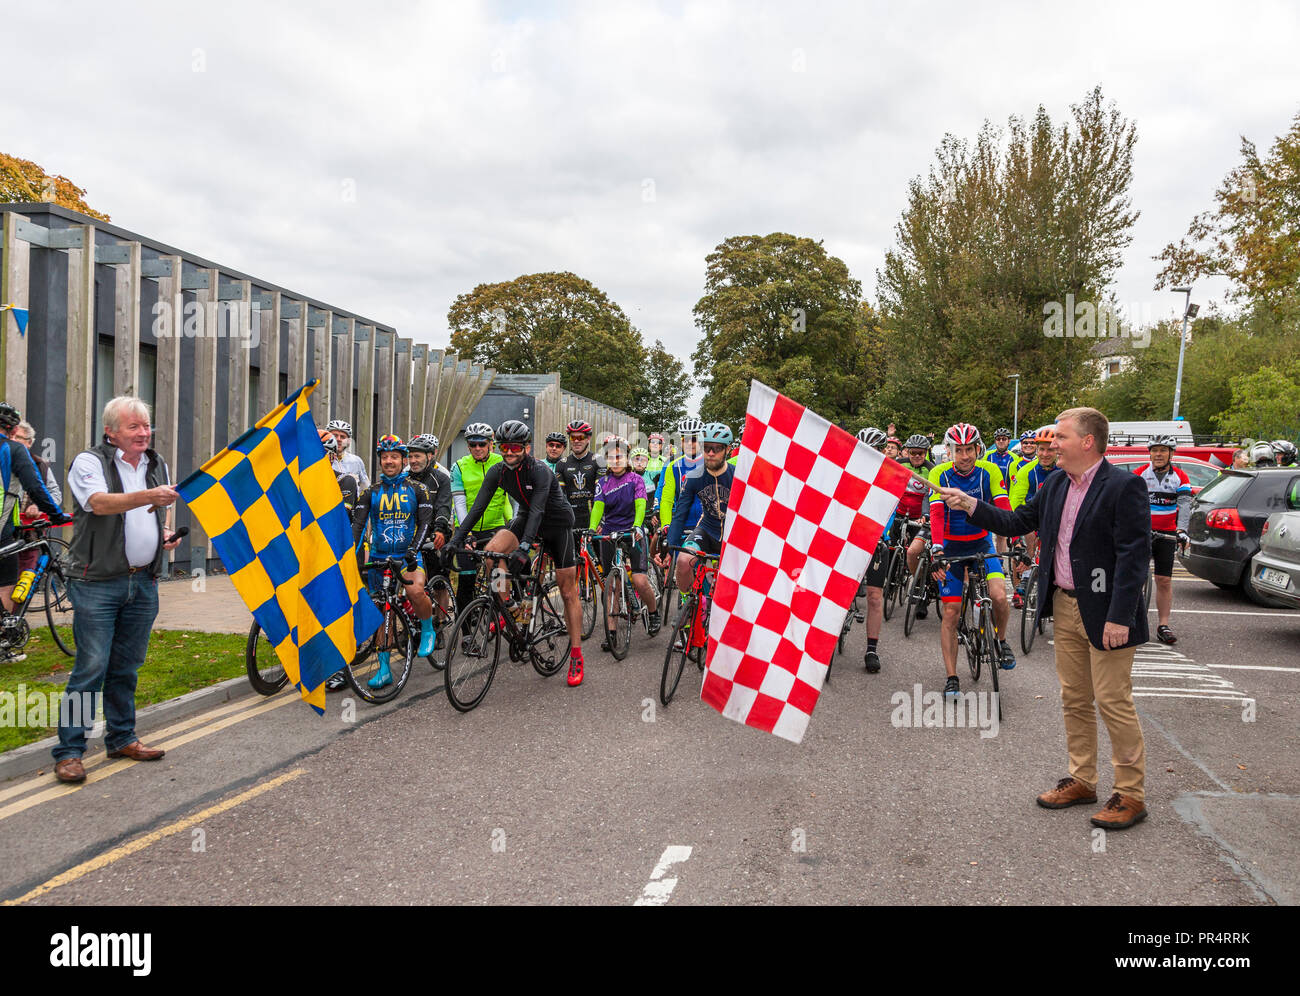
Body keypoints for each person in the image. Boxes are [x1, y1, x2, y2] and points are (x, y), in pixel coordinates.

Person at [940, 407, 1151, 830]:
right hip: (1066, 607)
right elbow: (1017, 521)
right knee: (1074, 698)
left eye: (1061, 437)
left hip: (1108, 613)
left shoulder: (1123, 486)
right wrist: (970, 504)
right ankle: (1083, 780)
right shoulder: (1055, 483)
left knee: (1112, 701)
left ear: (1087, 441)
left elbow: (1134, 557)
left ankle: (1130, 794)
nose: (1051, 444)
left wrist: (1120, 616)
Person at [52, 397, 179, 784]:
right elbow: (98, 504)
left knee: (127, 667)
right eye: (134, 427)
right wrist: (150, 498)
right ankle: (70, 751)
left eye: (146, 426)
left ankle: (122, 737)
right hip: (97, 583)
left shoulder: (157, 463)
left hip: (143, 581)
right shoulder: (89, 462)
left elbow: (162, 510)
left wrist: (164, 533)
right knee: (90, 668)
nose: (143, 433)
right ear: (111, 431)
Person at [447, 420, 585, 685]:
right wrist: (457, 539)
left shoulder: (540, 470)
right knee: (491, 553)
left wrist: (524, 547)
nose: (509, 452)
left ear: (526, 448)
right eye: (504, 447)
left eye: (515, 447)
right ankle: (510, 606)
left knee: (568, 592)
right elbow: (477, 508)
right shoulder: (498, 470)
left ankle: (576, 653)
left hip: (556, 525)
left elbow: (538, 510)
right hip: (525, 519)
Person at [928, 422, 1016, 699]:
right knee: (951, 613)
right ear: (950, 451)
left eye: (969, 449)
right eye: (959, 450)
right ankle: (952, 676)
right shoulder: (939, 473)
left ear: (978, 448)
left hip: (981, 543)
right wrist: (938, 551)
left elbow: (1003, 509)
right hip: (952, 550)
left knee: (1000, 597)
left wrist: (1015, 541)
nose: (965, 456)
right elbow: (938, 515)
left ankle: (1001, 641)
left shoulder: (989, 471)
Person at [351, 435, 438, 688]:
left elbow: (424, 524)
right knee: (382, 612)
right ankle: (385, 669)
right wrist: (349, 554)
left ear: (403, 460)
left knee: (414, 590)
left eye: (394, 457)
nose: (389, 461)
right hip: (379, 557)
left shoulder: (417, 489)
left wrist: (414, 549)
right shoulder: (371, 492)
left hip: (408, 555)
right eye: (384, 457)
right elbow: (357, 526)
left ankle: (428, 626)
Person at [0, 404, 69, 627]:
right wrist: (56, 515)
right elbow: (36, 488)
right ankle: (4, 641)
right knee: (6, 583)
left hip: (12, 526)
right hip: (2, 530)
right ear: (12, 429)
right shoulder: (13, 449)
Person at [658, 422, 734, 618]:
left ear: (727, 450)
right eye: (707, 447)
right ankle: (688, 605)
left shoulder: (737, 476)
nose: (710, 453)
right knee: (684, 560)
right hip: (706, 529)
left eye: (716, 449)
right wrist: (670, 546)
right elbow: (680, 512)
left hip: (733, 534)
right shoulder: (693, 476)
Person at [591, 437, 659, 648]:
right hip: (610, 532)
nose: (615, 460)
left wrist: (638, 526)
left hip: (632, 530)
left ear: (627, 458)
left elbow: (640, 506)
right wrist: (592, 529)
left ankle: (654, 611)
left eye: (619, 456)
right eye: (611, 457)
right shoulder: (602, 482)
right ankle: (611, 633)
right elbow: (597, 508)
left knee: (639, 580)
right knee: (611, 586)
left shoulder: (635, 480)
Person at [450, 422, 513, 618]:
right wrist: (466, 533)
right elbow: (459, 504)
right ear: (468, 446)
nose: (477, 448)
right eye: (473, 444)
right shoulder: (459, 466)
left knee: (501, 573)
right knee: (467, 579)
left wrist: (512, 523)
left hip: (495, 527)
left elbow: (510, 499)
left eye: (482, 444)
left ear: (490, 444)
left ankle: (508, 612)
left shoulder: (503, 463)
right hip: (468, 529)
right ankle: (467, 631)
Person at [1134, 435, 1190, 645]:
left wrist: (1182, 530)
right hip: (1142, 533)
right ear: (1149, 453)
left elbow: (1184, 505)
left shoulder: (1180, 477)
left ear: (1171, 454)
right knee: (1136, 578)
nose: (1158, 454)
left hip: (1166, 535)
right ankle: (1133, 620)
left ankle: (1163, 625)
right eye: (1154, 450)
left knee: (1164, 580)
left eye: (1163, 450)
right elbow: (1130, 502)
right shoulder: (1140, 474)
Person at [855, 428, 895, 673]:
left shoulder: (891, 475)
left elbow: (890, 512)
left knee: (874, 596)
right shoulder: (848, 472)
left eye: (874, 450)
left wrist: (879, 535)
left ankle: (872, 648)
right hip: (851, 539)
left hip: (877, 539)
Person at [1008, 425, 1062, 604]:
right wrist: (1018, 529)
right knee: (1026, 539)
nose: (1045, 454)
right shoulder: (1026, 471)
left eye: (1050, 449)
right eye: (1042, 449)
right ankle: (1026, 575)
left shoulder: (1064, 471)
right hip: (1034, 517)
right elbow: (1015, 502)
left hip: (1058, 519)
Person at [326, 419, 370, 489]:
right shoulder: (320, 459)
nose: (338, 439)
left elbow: (365, 487)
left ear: (348, 441)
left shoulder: (356, 461)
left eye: (342, 437)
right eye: (335, 436)